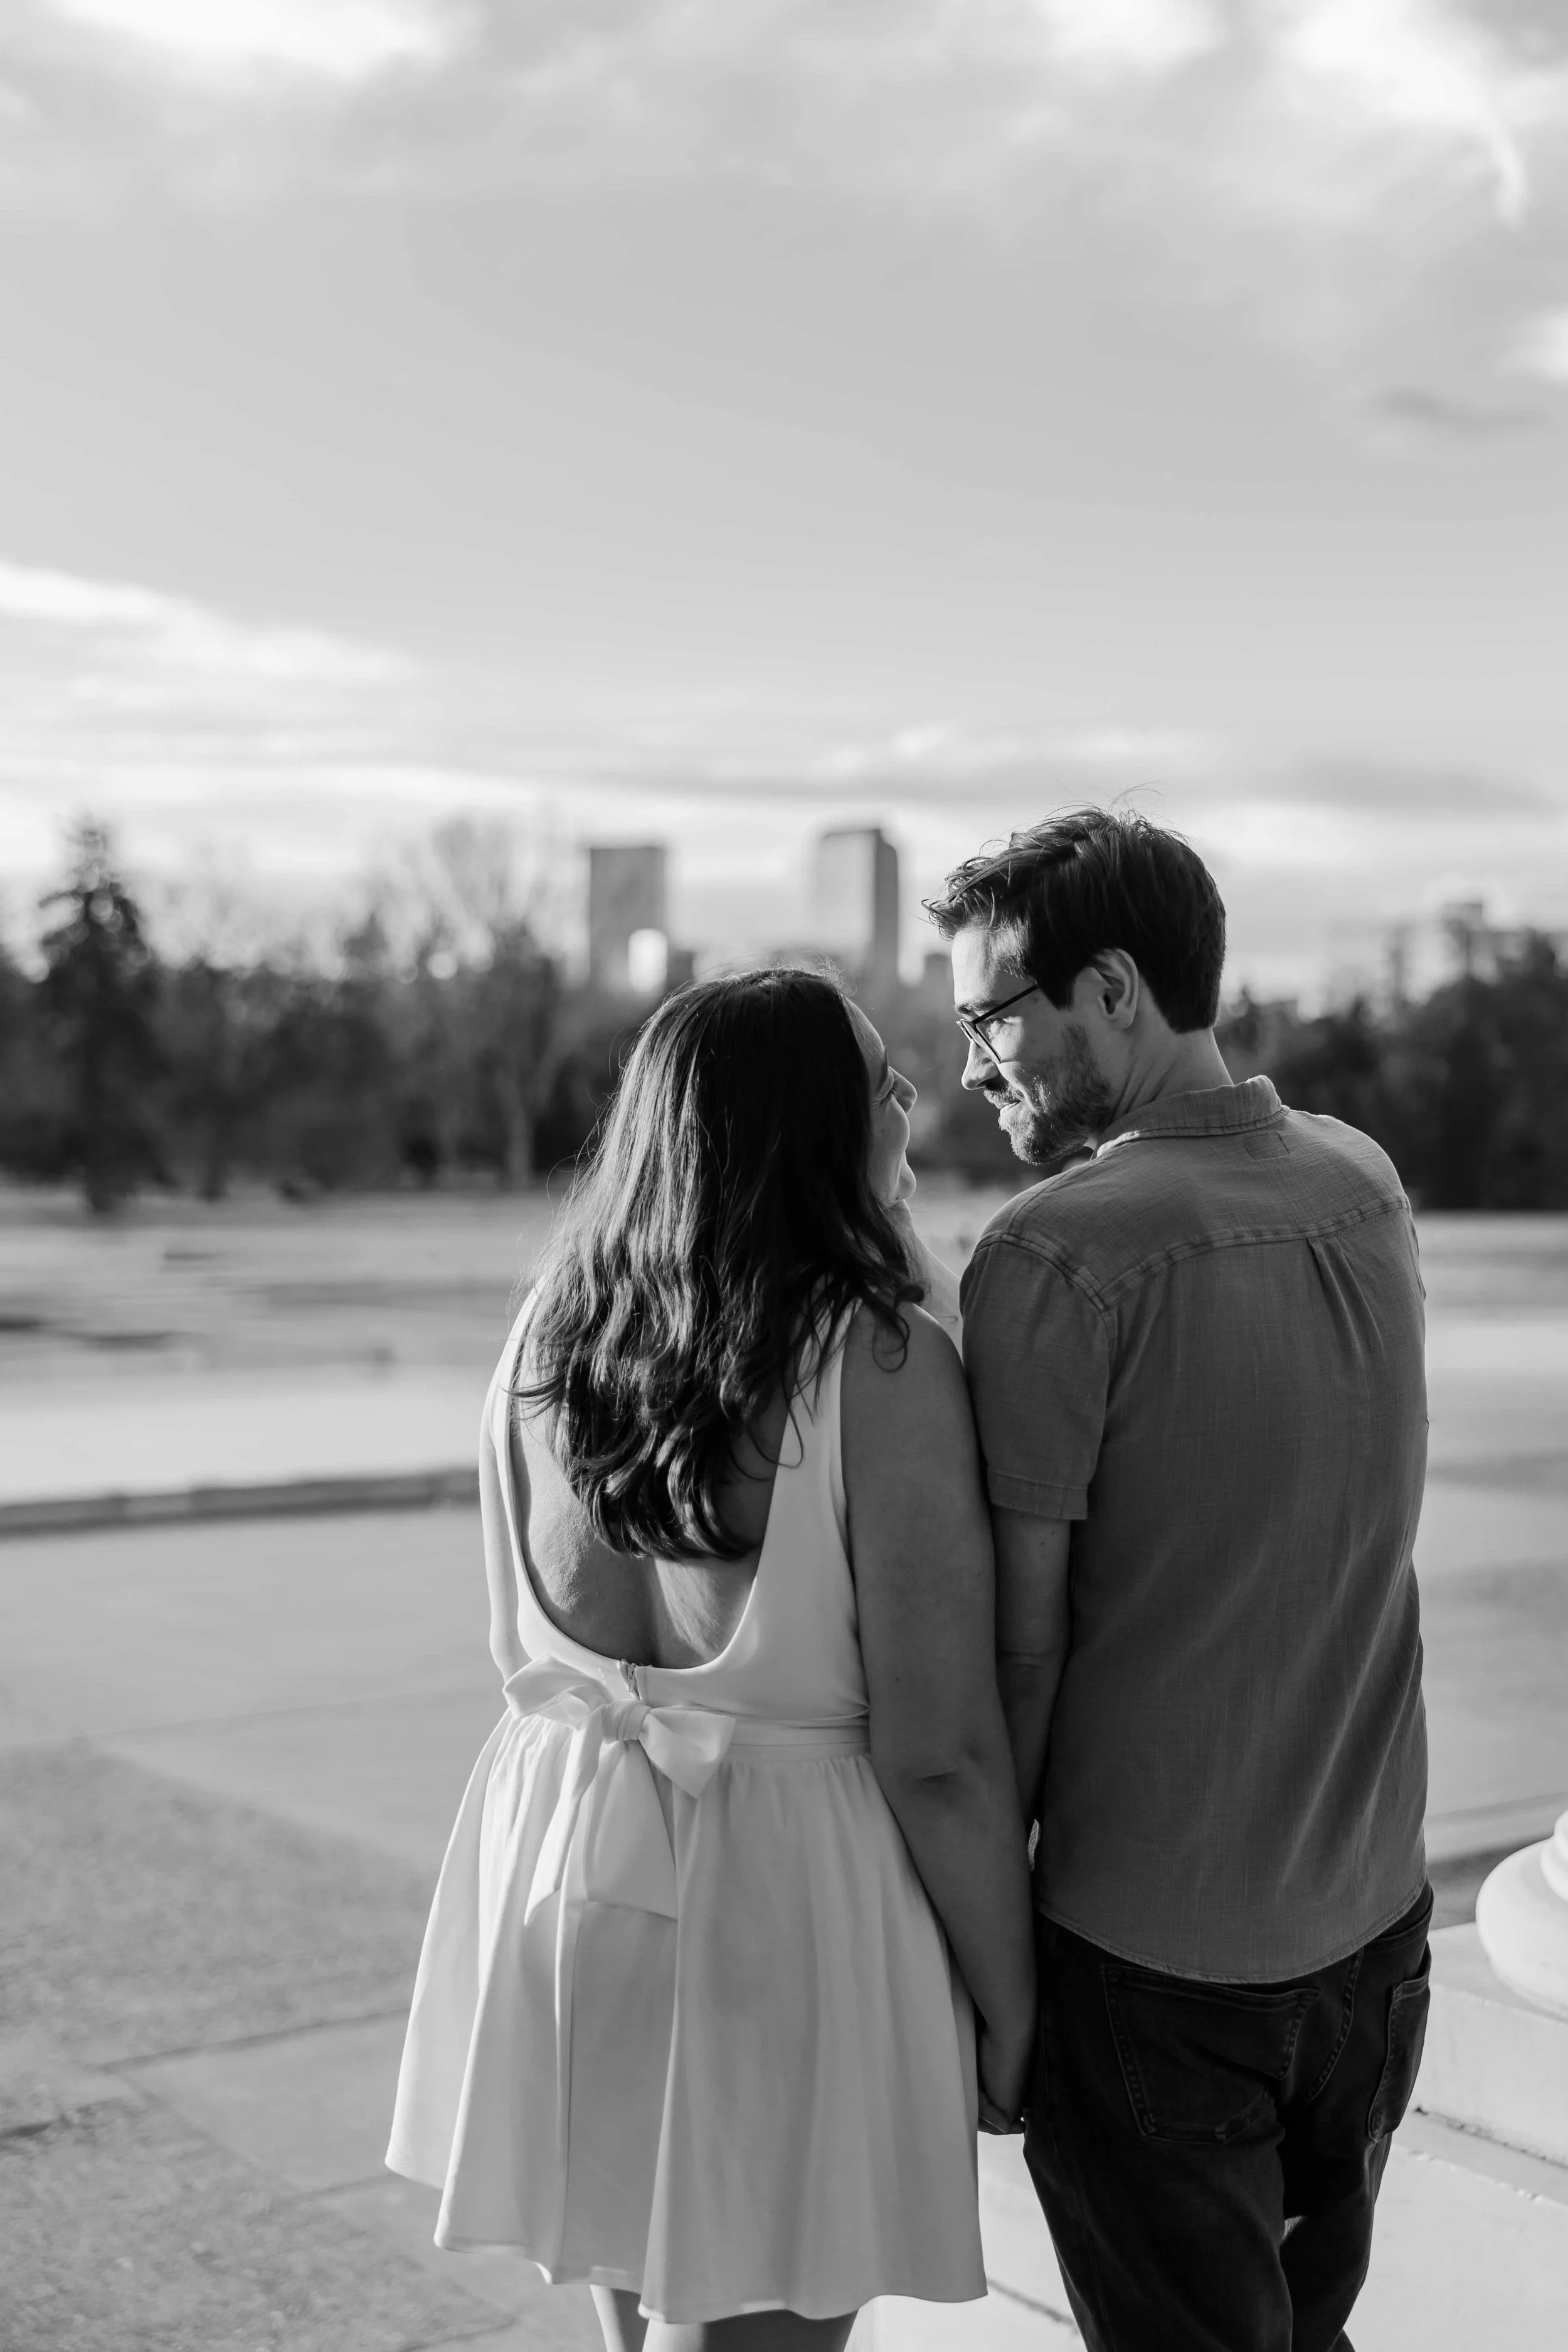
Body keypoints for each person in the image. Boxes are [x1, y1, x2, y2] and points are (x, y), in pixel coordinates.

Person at [386, 967, 1036, 2352]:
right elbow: (940, 1757)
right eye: (878, 1081)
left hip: (568, 1877)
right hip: (777, 1917)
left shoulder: (548, 1329)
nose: (910, 1100)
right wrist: (1013, 1999)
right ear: (809, 1130)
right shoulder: (877, 1365)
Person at [925, 810, 1433, 2352]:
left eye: (989, 1019)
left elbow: (1021, 1656)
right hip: (1371, 1939)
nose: (971, 1067)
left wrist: (987, 1959)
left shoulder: (1051, 1255)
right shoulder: (1364, 1181)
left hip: (1155, 1971)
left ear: (1112, 990)